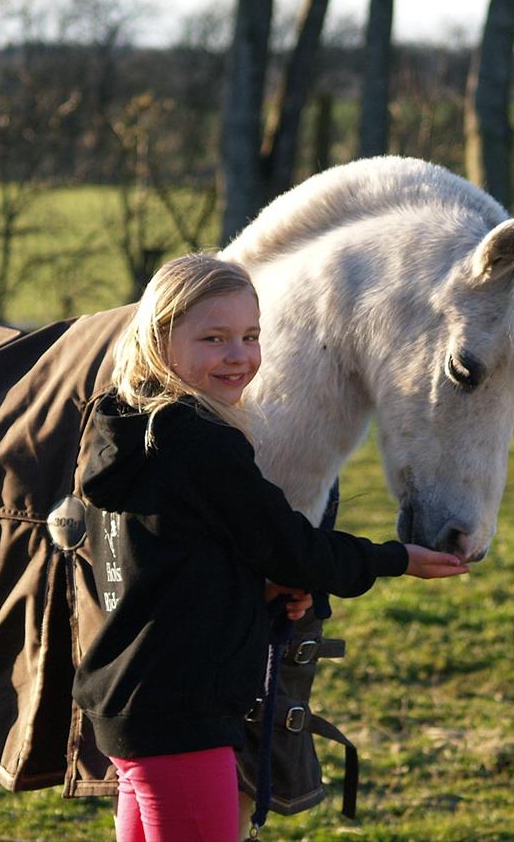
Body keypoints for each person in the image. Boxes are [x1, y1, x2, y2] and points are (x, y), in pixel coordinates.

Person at [72, 253, 468, 842]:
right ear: (159, 340)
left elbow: (163, 565)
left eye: (251, 336)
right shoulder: (200, 442)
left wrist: (251, 589)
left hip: (130, 708)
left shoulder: (126, 430)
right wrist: (397, 559)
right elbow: (293, 549)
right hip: (183, 717)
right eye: (214, 338)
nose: (239, 356)